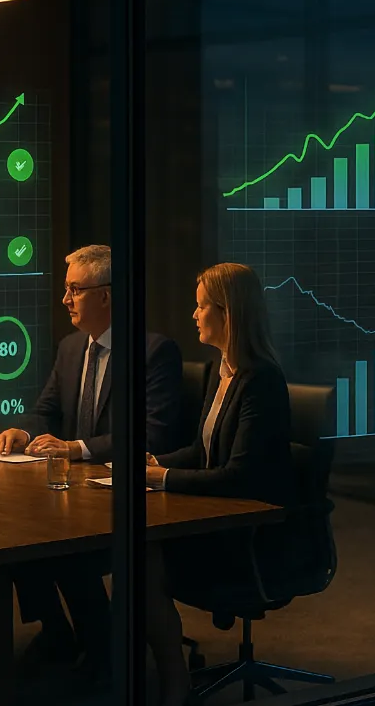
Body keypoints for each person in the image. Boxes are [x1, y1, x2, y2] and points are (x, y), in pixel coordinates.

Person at [0, 244, 185, 678]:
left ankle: (101, 652)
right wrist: (25, 430)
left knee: (62, 546)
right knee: (13, 531)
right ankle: (57, 630)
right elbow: (48, 411)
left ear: (106, 296)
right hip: (73, 494)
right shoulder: (72, 347)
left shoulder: (153, 353)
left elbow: (151, 435)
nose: (66, 299)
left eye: (75, 289)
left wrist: (77, 449)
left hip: (124, 499)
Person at [143, 262, 295, 706]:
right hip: (218, 516)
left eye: (201, 307)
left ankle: (173, 684)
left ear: (227, 314)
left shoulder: (262, 381)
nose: (193, 315)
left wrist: (163, 479)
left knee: (146, 562)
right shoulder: (221, 370)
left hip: (250, 534)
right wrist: (154, 462)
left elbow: (239, 475)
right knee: (142, 556)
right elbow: (202, 450)